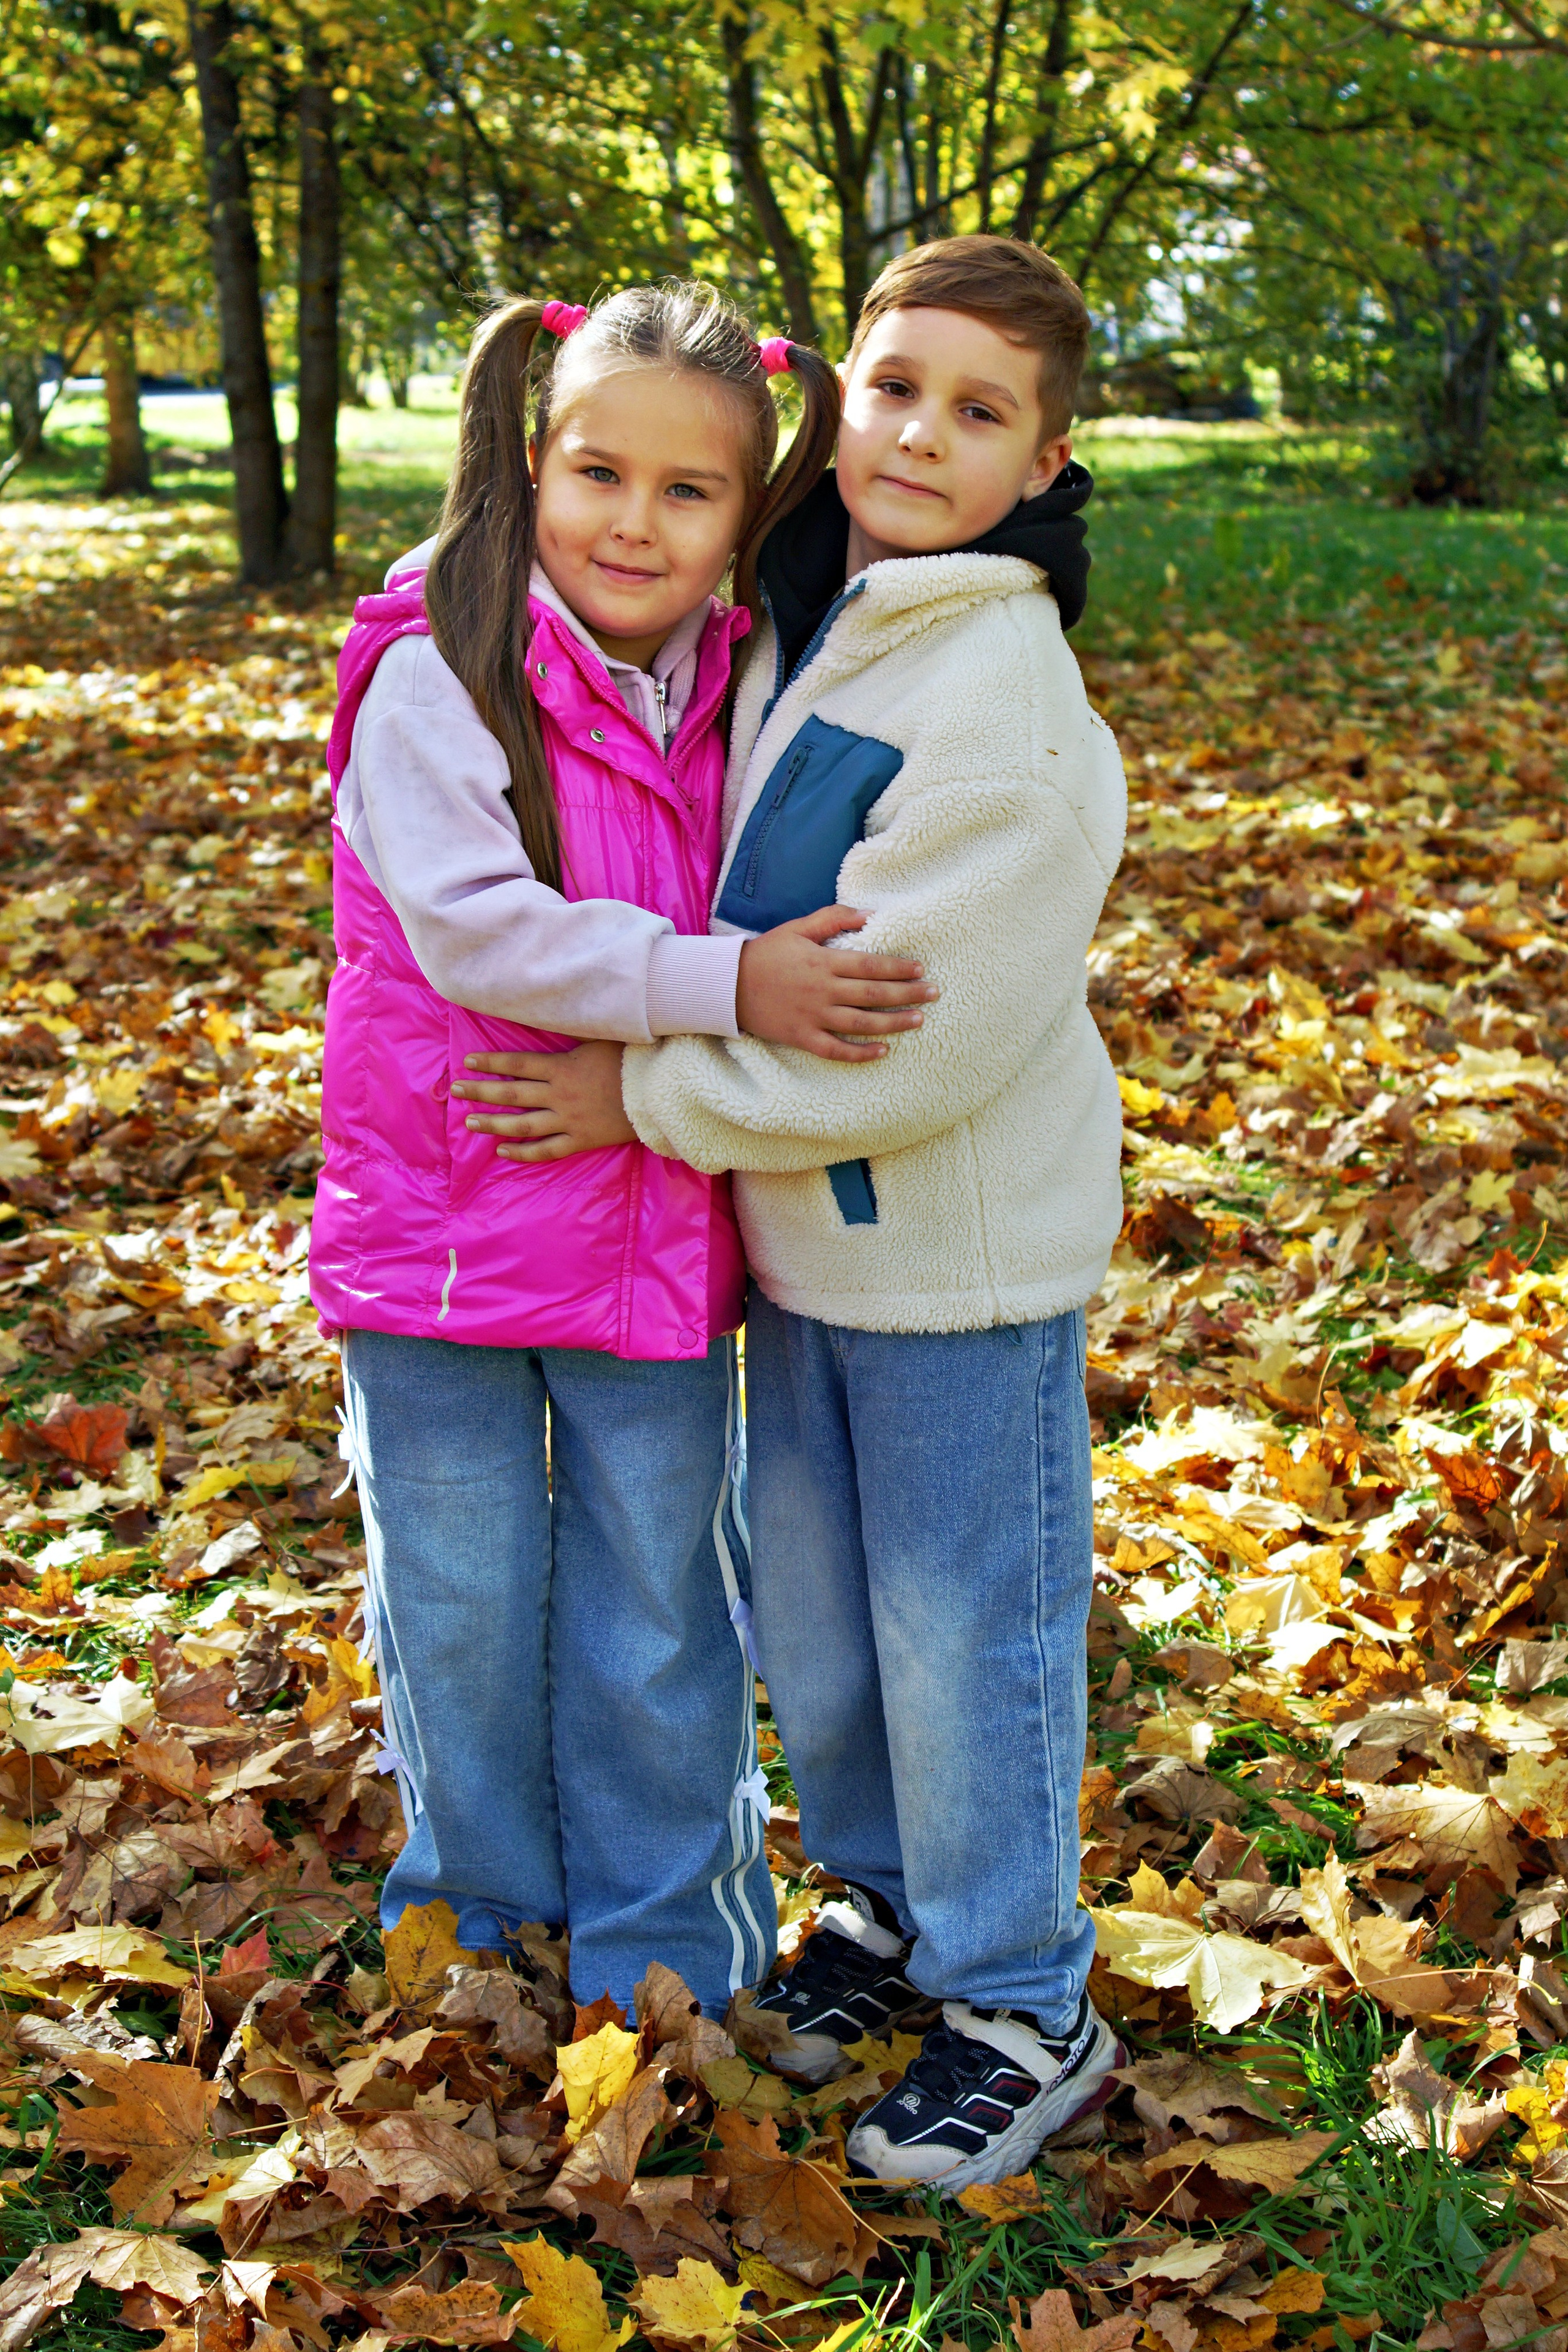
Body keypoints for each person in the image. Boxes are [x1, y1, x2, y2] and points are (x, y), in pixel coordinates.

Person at [476, 236, 1129, 2188]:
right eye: (894, 386)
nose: (920, 432)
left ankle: (1027, 1994)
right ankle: (891, 1915)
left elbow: (908, 1041)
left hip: (959, 1265)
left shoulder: (1005, 695)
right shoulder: (816, 616)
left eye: (978, 408)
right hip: (809, 1253)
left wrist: (639, 1094)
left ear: (1045, 458)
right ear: (837, 394)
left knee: (966, 1630)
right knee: (831, 1633)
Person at [312, 282, 934, 2020]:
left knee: (660, 1605)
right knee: (459, 1601)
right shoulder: (437, 669)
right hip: (437, 1241)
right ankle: (480, 1917)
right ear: (534, 460)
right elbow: (483, 937)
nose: (633, 523)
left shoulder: (741, 688)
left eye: (689, 492)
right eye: (600, 472)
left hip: (650, 1234)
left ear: (749, 514)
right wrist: (731, 984)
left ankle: (674, 1940)